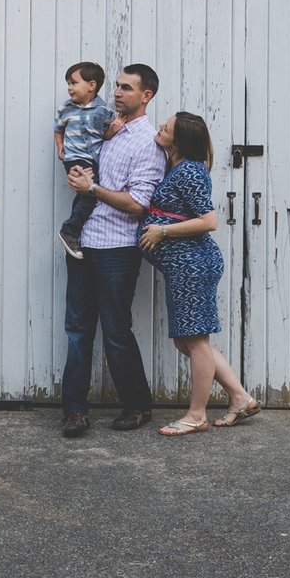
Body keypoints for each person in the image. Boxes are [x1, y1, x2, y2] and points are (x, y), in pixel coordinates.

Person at [139, 110, 263, 437]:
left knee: (195, 342)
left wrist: (162, 233)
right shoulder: (177, 168)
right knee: (189, 341)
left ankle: (196, 415)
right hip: (184, 266)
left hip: (193, 265)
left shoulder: (190, 171)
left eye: (165, 127)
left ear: (178, 141)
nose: (160, 128)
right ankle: (240, 397)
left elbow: (209, 221)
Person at [60, 62, 165, 436]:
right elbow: (78, 156)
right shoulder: (108, 130)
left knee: (116, 330)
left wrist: (91, 190)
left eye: (126, 88)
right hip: (82, 245)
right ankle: (74, 410)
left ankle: (137, 406)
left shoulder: (147, 143)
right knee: (77, 329)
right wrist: (77, 176)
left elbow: (139, 203)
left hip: (117, 249)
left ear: (146, 96)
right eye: (117, 86)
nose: (117, 93)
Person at [52, 60, 121, 259]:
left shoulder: (103, 111)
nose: (69, 88)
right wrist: (60, 145)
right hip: (74, 158)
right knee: (91, 192)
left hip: (94, 159)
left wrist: (113, 130)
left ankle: (75, 234)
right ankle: (70, 231)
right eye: (68, 83)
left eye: (74, 83)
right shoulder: (66, 109)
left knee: (86, 194)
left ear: (91, 85)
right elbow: (58, 129)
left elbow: (104, 135)